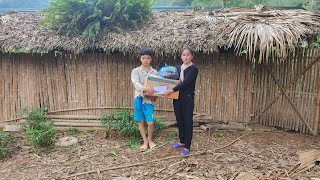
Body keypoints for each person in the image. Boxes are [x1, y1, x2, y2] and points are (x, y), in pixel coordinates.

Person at [164, 46, 198, 156]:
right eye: (184, 55)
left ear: (192, 56)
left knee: (188, 122)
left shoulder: (193, 69)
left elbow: (185, 83)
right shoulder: (177, 68)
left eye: (188, 55)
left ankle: (187, 146)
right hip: (176, 98)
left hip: (187, 98)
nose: (186, 57)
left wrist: (171, 90)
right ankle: (182, 141)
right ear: (181, 56)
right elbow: (170, 79)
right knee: (179, 120)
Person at [131, 48, 158, 152]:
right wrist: (146, 89)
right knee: (141, 121)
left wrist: (155, 94)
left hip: (149, 101)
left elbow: (157, 86)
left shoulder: (154, 72)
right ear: (140, 59)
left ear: (151, 59)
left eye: (148, 58)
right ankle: (145, 142)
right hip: (138, 99)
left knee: (150, 122)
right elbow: (135, 83)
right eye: (143, 58)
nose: (145, 60)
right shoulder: (136, 71)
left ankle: (150, 140)